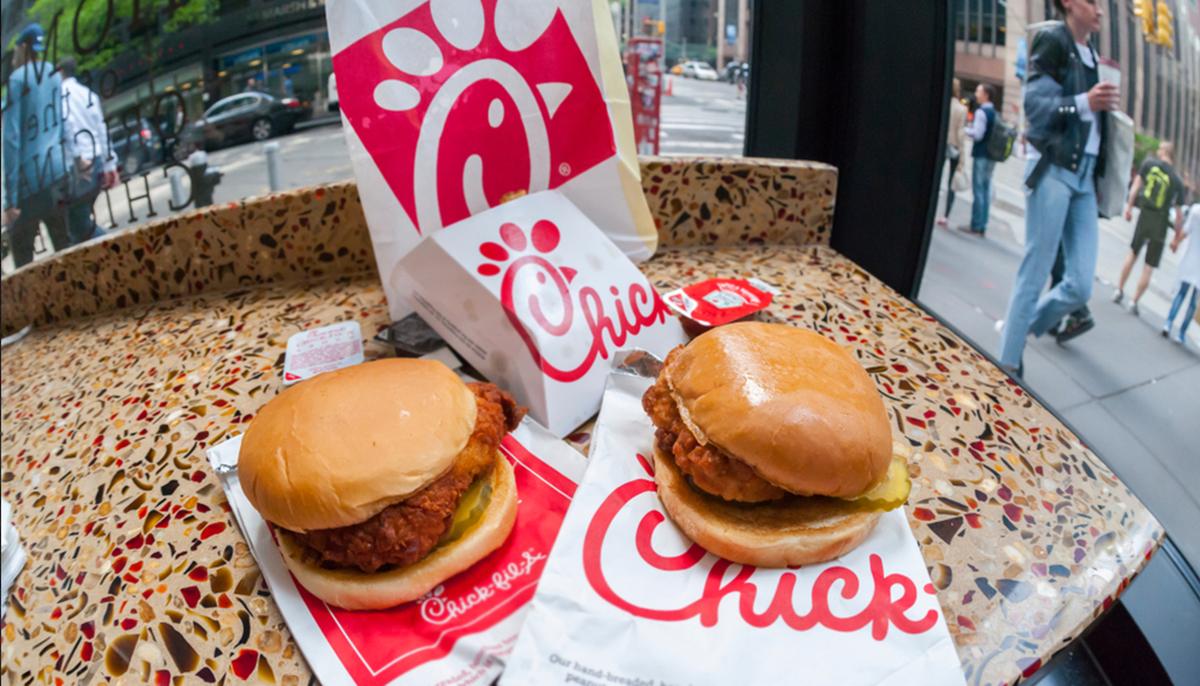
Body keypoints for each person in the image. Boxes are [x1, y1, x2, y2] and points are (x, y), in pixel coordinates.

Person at [997, 0, 1119, 377]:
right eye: (1093, 2)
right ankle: (1007, 364)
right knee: (1035, 270)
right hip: (1052, 168)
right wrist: (1085, 102)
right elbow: (1034, 105)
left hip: (1083, 178)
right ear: (1069, 3)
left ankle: (1017, 330)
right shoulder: (1054, 39)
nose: (1100, 10)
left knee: (1081, 285)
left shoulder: (1090, 51)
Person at [2, 23, 73, 269]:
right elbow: (62, 121)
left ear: (22, 47)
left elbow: (11, 140)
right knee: (67, 250)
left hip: (29, 182)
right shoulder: (53, 73)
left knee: (23, 260)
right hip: (58, 172)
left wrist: (10, 200)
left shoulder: (16, 80)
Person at [1112, 142, 1186, 315]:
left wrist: (1129, 207)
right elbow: (1179, 215)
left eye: (1160, 148)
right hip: (1160, 222)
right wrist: (1176, 237)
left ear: (1165, 151)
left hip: (1145, 215)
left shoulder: (1149, 165)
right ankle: (1134, 301)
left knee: (1132, 253)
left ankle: (1119, 290)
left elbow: (1136, 187)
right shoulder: (1176, 180)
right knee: (1149, 266)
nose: (1158, 151)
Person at [60, 57, 119, 245]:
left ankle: (114, 246)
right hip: (97, 159)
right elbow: (101, 129)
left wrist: (78, 160)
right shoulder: (88, 94)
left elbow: (67, 126)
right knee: (78, 225)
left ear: (59, 71)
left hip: (81, 164)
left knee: (77, 224)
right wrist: (111, 164)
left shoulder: (60, 96)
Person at [1161, 202, 1199, 344]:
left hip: (1190, 258)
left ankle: (1168, 323)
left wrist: (1176, 241)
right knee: (1194, 302)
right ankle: (1182, 332)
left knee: (1181, 293)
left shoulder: (1196, 211)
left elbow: (1185, 231)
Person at [964, 83, 998, 236]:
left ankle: (976, 225)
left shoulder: (981, 112)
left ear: (986, 95)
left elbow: (978, 134)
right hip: (992, 155)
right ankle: (982, 224)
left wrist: (964, 130)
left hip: (981, 154)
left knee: (978, 190)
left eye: (978, 91)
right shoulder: (995, 113)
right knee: (985, 189)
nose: (976, 94)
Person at [937, 79, 967, 228]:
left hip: (941, 144)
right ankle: (945, 215)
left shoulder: (942, 103)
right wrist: (962, 155)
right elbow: (961, 133)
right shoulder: (961, 109)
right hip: (954, 146)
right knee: (952, 182)